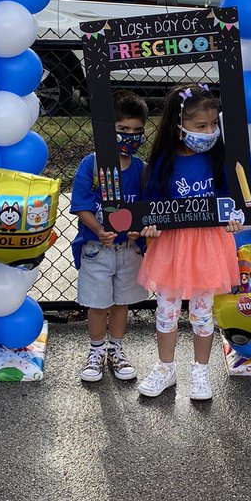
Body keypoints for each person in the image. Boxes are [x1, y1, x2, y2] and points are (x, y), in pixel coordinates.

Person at [136, 82, 243, 402]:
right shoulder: (162, 162)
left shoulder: (219, 158)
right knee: (166, 310)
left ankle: (201, 371)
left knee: (202, 312)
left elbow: (231, 198)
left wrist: (235, 214)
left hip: (208, 246)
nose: (209, 131)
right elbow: (149, 207)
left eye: (213, 124)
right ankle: (166, 368)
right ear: (178, 126)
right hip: (172, 246)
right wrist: (148, 226)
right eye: (200, 126)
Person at [70, 91, 150, 384]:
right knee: (98, 304)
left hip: (129, 249)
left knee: (121, 303)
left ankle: (116, 349)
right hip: (97, 248)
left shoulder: (142, 170)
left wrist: (138, 229)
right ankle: (95, 351)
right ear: (108, 130)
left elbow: (146, 209)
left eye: (136, 130)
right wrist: (98, 229)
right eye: (123, 130)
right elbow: (80, 204)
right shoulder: (91, 165)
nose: (130, 136)